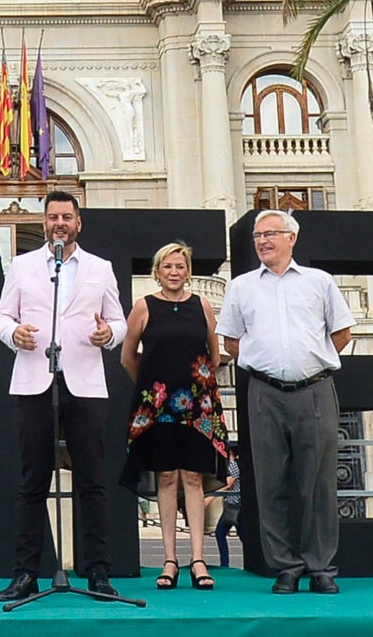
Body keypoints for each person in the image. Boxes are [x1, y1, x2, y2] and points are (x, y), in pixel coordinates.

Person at [0, 190, 128, 601]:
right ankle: (25, 573)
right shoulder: (23, 265)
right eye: (52, 217)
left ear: (78, 223)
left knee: (92, 481)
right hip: (35, 381)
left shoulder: (100, 269)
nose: (59, 223)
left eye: (67, 216)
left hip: (85, 382)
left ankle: (99, 572)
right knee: (32, 482)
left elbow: (118, 320)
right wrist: (13, 334)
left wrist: (109, 336)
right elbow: (1, 317)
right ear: (44, 222)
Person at [217, 209, 353, 594]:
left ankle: (321, 567)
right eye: (258, 236)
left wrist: (310, 361)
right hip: (263, 394)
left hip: (315, 391)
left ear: (291, 238)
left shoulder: (319, 282)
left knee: (320, 483)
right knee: (269, 482)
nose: (262, 241)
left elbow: (341, 332)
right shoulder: (241, 287)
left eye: (270, 234)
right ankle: (286, 568)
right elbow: (230, 340)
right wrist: (264, 361)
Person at [120, 242, 227, 591]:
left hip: (198, 407)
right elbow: (127, 357)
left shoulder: (203, 306)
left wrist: (197, 385)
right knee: (166, 477)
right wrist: (153, 392)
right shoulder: (143, 307)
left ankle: (198, 559)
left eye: (180, 266)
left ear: (188, 270)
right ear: (158, 271)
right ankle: (169, 560)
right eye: (168, 266)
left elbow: (214, 354)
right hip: (160, 407)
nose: (174, 272)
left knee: (194, 478)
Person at [211, 447, 241, 568]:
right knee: (220, 533)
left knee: (225, 533)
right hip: (230, 506)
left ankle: (225, 563)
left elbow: (228, 483)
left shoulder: (233, 465)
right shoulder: (231, 465)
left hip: (236, 505)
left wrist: (210, 496)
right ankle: (224, 563)